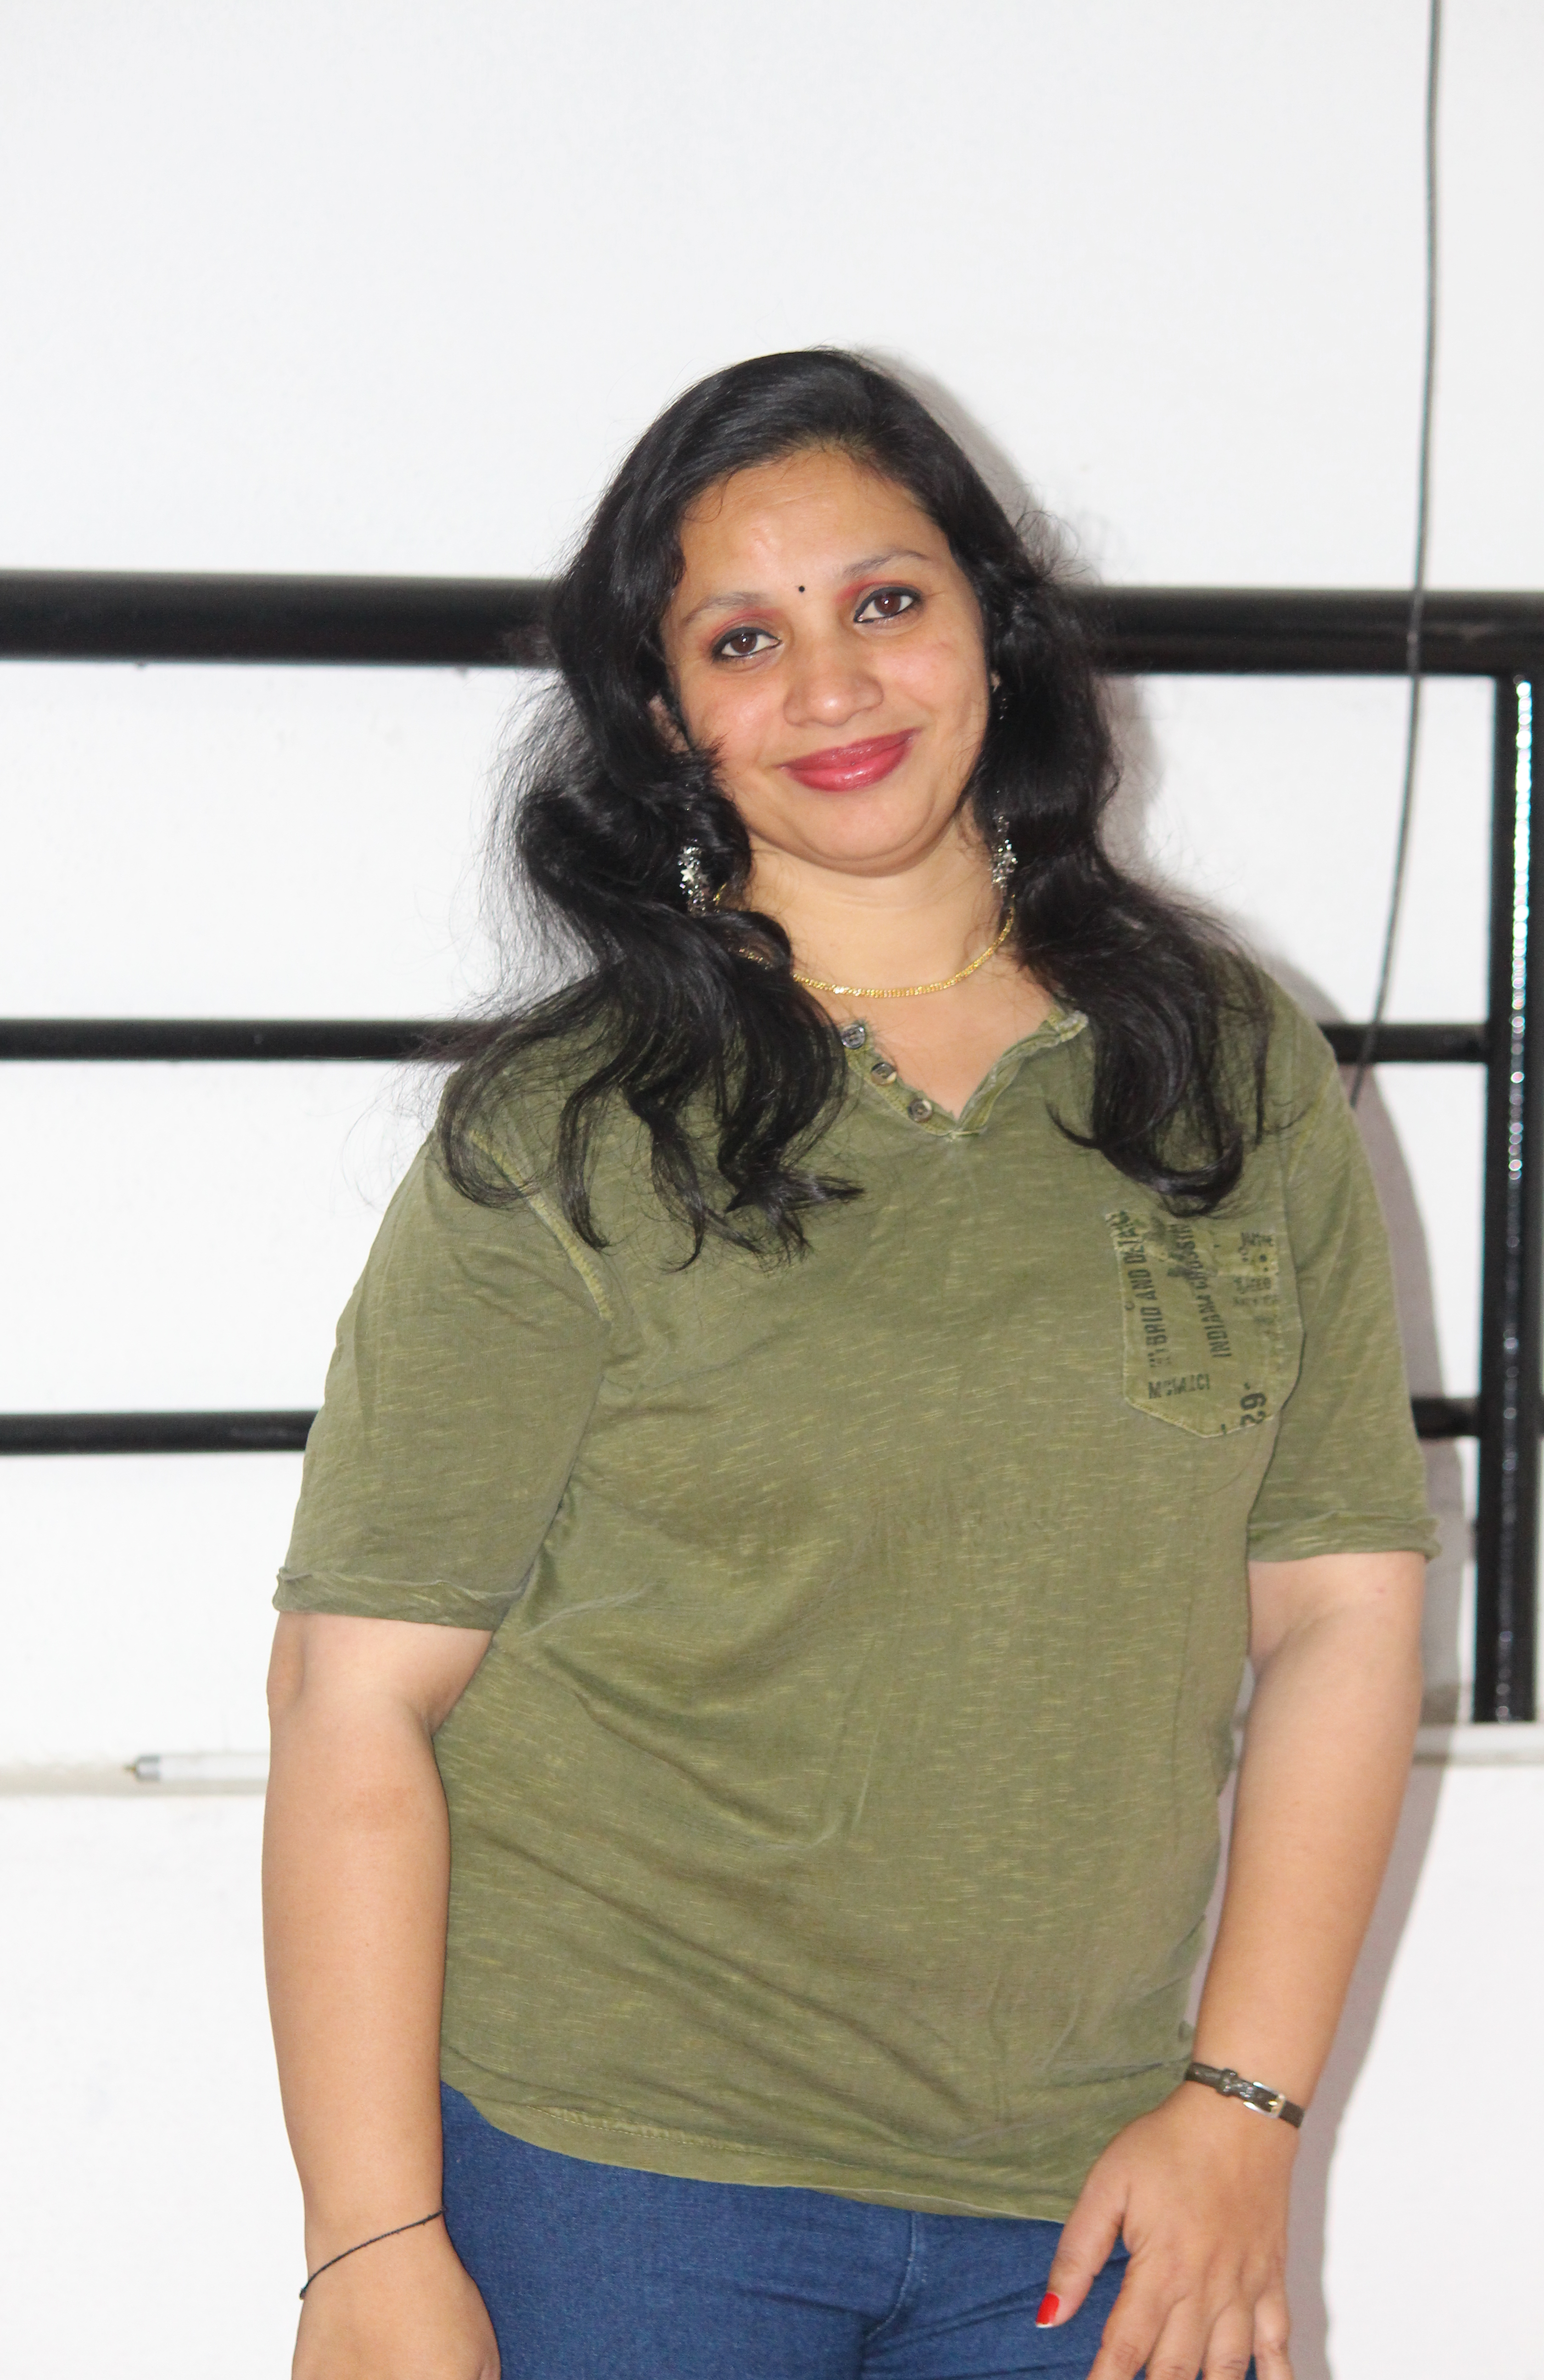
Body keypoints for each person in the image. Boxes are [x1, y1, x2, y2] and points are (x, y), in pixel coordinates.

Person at [263, 349, 1434, 2380]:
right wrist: (369, 2242)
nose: (832, 687)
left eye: (886, 601)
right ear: (666, 718)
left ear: (995, 626)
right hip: (618, 2178)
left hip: (1096, 2185)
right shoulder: (573, 1127)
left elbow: (1339, 1608)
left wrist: (1243, 2110)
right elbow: (352, 1697)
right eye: (744, 639)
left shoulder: (1228, 1065)